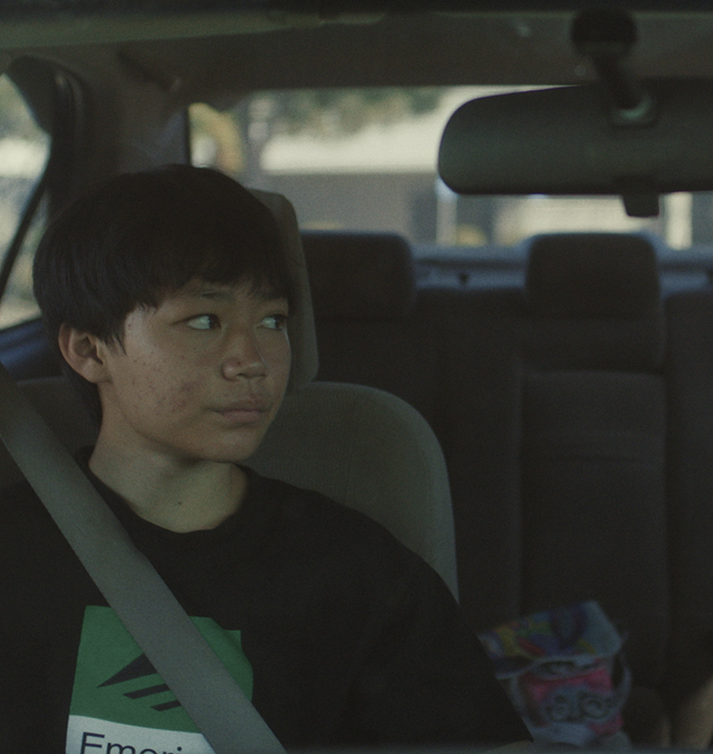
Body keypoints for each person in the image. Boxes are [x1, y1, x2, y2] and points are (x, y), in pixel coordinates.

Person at [0, 165, 530, 751]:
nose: (253, 359)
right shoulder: (14, 554)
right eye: (204, 320)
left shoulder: (359, 578)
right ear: (88, 350)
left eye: (273, 321)